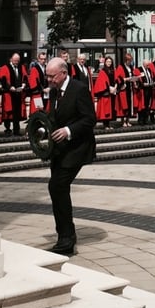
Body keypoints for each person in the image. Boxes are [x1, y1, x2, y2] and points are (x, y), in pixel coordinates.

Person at [44, 58, 96, 255]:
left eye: (52, 76)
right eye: (47, 75)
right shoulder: (55, 92)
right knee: (57, 188)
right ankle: (64, 235)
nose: (49, 80)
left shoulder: (79, 89)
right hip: (59, 150)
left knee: (57, 186)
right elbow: (55, 117)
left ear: (63, 73)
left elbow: (90, 119)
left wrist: (68, 130)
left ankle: (67, 239)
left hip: (77, 148)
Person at [0, 53, 28, 136]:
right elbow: (3, 79)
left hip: (18, 93)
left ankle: (16, 129)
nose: (16, 62)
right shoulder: (5, 67)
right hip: (9, 94)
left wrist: (23, 84)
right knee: (8, 112)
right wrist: (9, 87)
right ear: (11, 59)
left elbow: (25, 77)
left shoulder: (21, 67)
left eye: (18, 61)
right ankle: (7, 129)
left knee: (17, 112)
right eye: (15, 60)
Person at [114, 53, 142, 127]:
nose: (130, 62)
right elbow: (117, 78)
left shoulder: (131, 67)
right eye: (129, 60)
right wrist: (126, 79)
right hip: (124, 89)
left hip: (131, 89)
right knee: (124, 105)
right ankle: (123, 121)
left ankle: (128, 120)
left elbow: (134, 75)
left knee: (130, 105)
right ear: (125, 60)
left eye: (131, 60)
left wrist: (135, 80)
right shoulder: (120, 67)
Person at [93, 56, 117, 129]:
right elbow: (102, 81)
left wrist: (115, 87)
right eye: (107, 62)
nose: (109, 63)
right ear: (105, 63)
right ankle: (105, 124)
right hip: (106, 92)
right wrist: (108, 88)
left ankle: (109, 124)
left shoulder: (113, 70)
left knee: (111, 109)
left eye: (110, 62)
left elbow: (116, 79)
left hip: (113, 92)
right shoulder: (103, 71)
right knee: (106, 109)